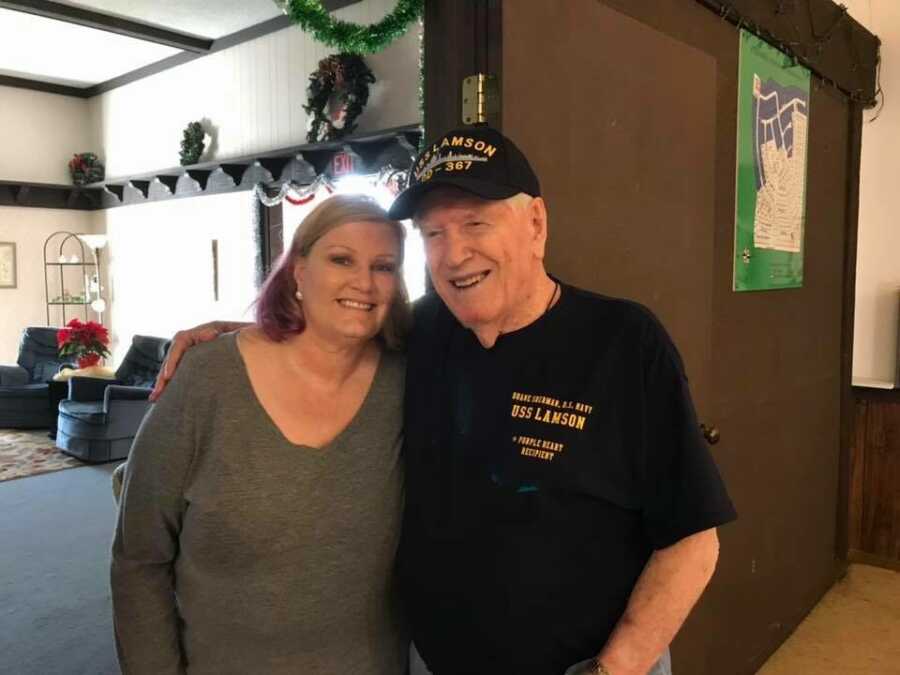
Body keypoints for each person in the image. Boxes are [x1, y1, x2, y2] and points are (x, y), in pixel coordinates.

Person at [154, 125, 736, 675]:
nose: (454, 254)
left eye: (476, 224)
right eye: (434, 234)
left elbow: (692, 540)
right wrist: (239, 334)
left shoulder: (623, 341)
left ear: (535, 224)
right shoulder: (423, 331)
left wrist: (614, 668)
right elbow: (332, 333)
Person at [112, 194, 411, 675]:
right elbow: (139, 558)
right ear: (298, 270)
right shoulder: (206, 379)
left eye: (384, 266)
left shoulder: (409, 380)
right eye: (341, 259)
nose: (364, 282)